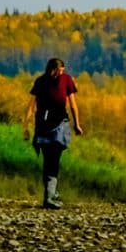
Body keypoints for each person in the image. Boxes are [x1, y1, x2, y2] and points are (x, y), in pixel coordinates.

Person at [28, 58, 84, 209]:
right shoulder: (41, 81)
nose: (61, 73)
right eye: (59, 70)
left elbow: (73, 105)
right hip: (43, 126)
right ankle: (50, 196)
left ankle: (50, 194)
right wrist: (25, 126)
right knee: (49, 160)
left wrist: (77, 124)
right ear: (52, 69)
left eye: (62, 71)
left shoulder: (66, 80)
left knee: (53, 158)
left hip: (60, 124)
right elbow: (31, 105)